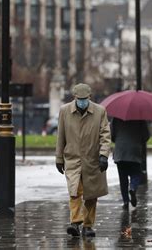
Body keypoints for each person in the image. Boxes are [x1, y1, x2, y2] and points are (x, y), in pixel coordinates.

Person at [55, 83, 111, 238]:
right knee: (75, 192)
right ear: (74, 98)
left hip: (93, 161)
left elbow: (105, 135)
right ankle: (75, 222)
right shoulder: (65, 111)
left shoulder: (100, 112)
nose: (82, 101)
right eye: (79, 99)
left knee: (91, 195)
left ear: (89, 97)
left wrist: (104, 155)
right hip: (73, 159)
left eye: (84, 99)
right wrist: (59, 158)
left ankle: (87, 225)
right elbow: (61, 136)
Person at [111, 118, 149, 208]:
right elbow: (146, 136)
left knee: (122, 178)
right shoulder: (140, 118)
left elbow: (112, 136)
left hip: (120, 151)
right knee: (136, 174)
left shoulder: (116, 118)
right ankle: (133, 188)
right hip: (134, 150)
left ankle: (125, 201)